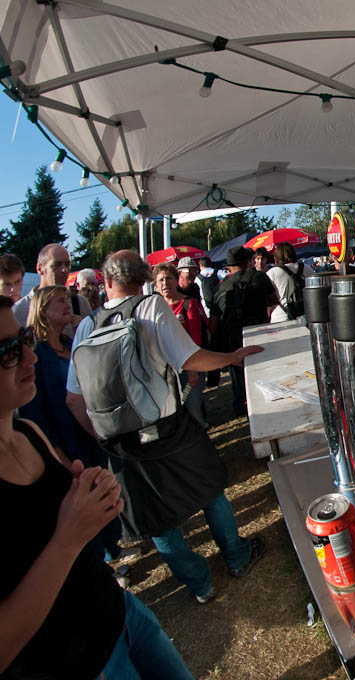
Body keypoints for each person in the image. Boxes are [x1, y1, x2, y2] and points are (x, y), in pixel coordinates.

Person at [0, 295, 194, 679]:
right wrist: (68, 538)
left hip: (123, 616)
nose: (30, 357)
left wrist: (92, 493)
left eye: (23, 339)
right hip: (75, 663)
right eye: (8, 351)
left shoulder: (28, 432)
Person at [67, 251, 267, 605]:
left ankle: (200, 585)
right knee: (210, 490)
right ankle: (236, 557)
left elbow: (73, 399)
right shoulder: (151, 309)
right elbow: (190, 358)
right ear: (144, 277)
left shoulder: (88, 325)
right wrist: (231, 358)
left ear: (107, 281)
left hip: (120, 443)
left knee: (157, 521)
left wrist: (104, 437)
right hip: (168, 427)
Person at [19, 285, 129, 569]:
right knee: (82, 503)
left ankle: (112, 548)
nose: (69, 306)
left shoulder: (70, 345)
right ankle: (102, 563)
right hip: (66, 447)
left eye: (68, 300)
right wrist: (60, 458)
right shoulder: (36, 356)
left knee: (102, 492)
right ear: (43, 311)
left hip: (90, 437)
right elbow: (36, 416)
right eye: (60, 302)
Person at [215, 246, 278, 416]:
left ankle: (241, 407)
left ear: (228, 266)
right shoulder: (260, 277)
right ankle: (266, 401)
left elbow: (215, 318)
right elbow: (274, 300)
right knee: (264, 368)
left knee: (237, 373)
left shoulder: (222, 287)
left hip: (234, 336)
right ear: (247, 261)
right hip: (259, 332)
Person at [154, 262, 209, 429]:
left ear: (176, 280)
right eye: (160, 280)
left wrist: (192, 370)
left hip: (189, 367)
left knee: (193, 410)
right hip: (165, 371)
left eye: (168, 279)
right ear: (155, 285)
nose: (165, 283)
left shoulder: (188, 304)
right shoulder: (153, 307)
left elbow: (195, 339)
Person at [13, 244, 91, 332]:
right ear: (40, 269)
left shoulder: (79, 303)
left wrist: (83, 331)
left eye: (67, 264)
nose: (64, 270)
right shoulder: (19, 310)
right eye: (57, 265)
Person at [266, 243, 313, 323]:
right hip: (306, 314)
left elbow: (268, 297)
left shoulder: (272, 273)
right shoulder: (307, 268)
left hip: (280, 316)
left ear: (276, 256)